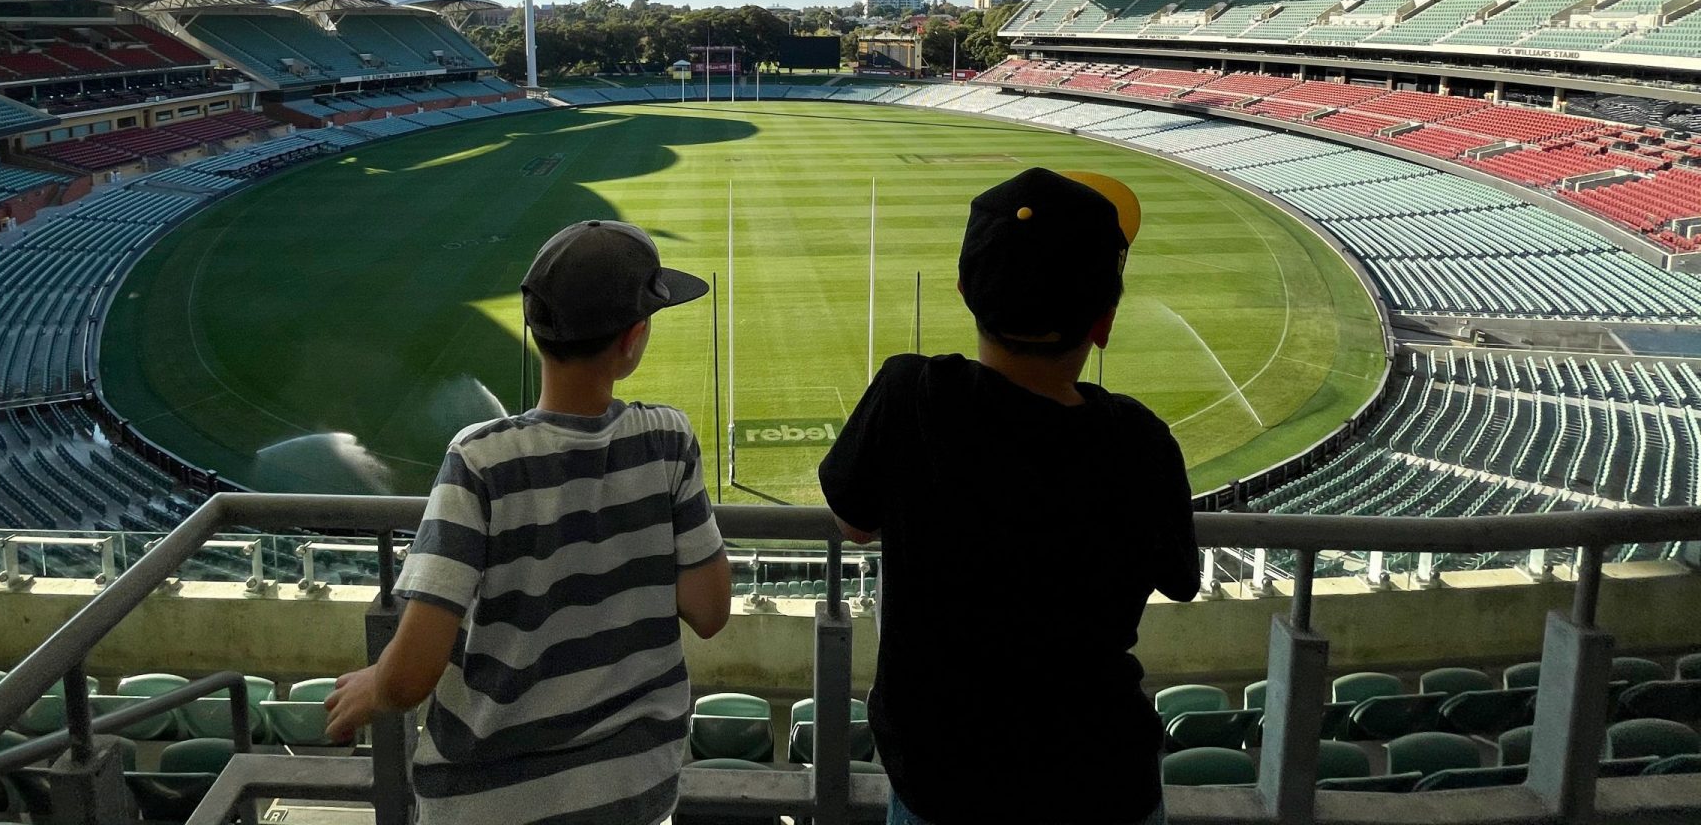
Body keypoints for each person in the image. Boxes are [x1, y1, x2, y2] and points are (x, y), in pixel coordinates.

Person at [819, 167, 1199, 825]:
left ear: (966, 289)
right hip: (1101, 782)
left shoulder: (911, 394)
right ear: (1104, 322)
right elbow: (1181, 577)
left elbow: (852, 521)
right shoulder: (1139, 439)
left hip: (942, 781)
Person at [324, 219, 733, 825]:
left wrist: (375, 687)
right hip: (635, 790)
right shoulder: (668, 439)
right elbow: (709, 609)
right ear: (633, 339)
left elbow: (410, 677)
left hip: (486, 803)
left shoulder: (480, 459)